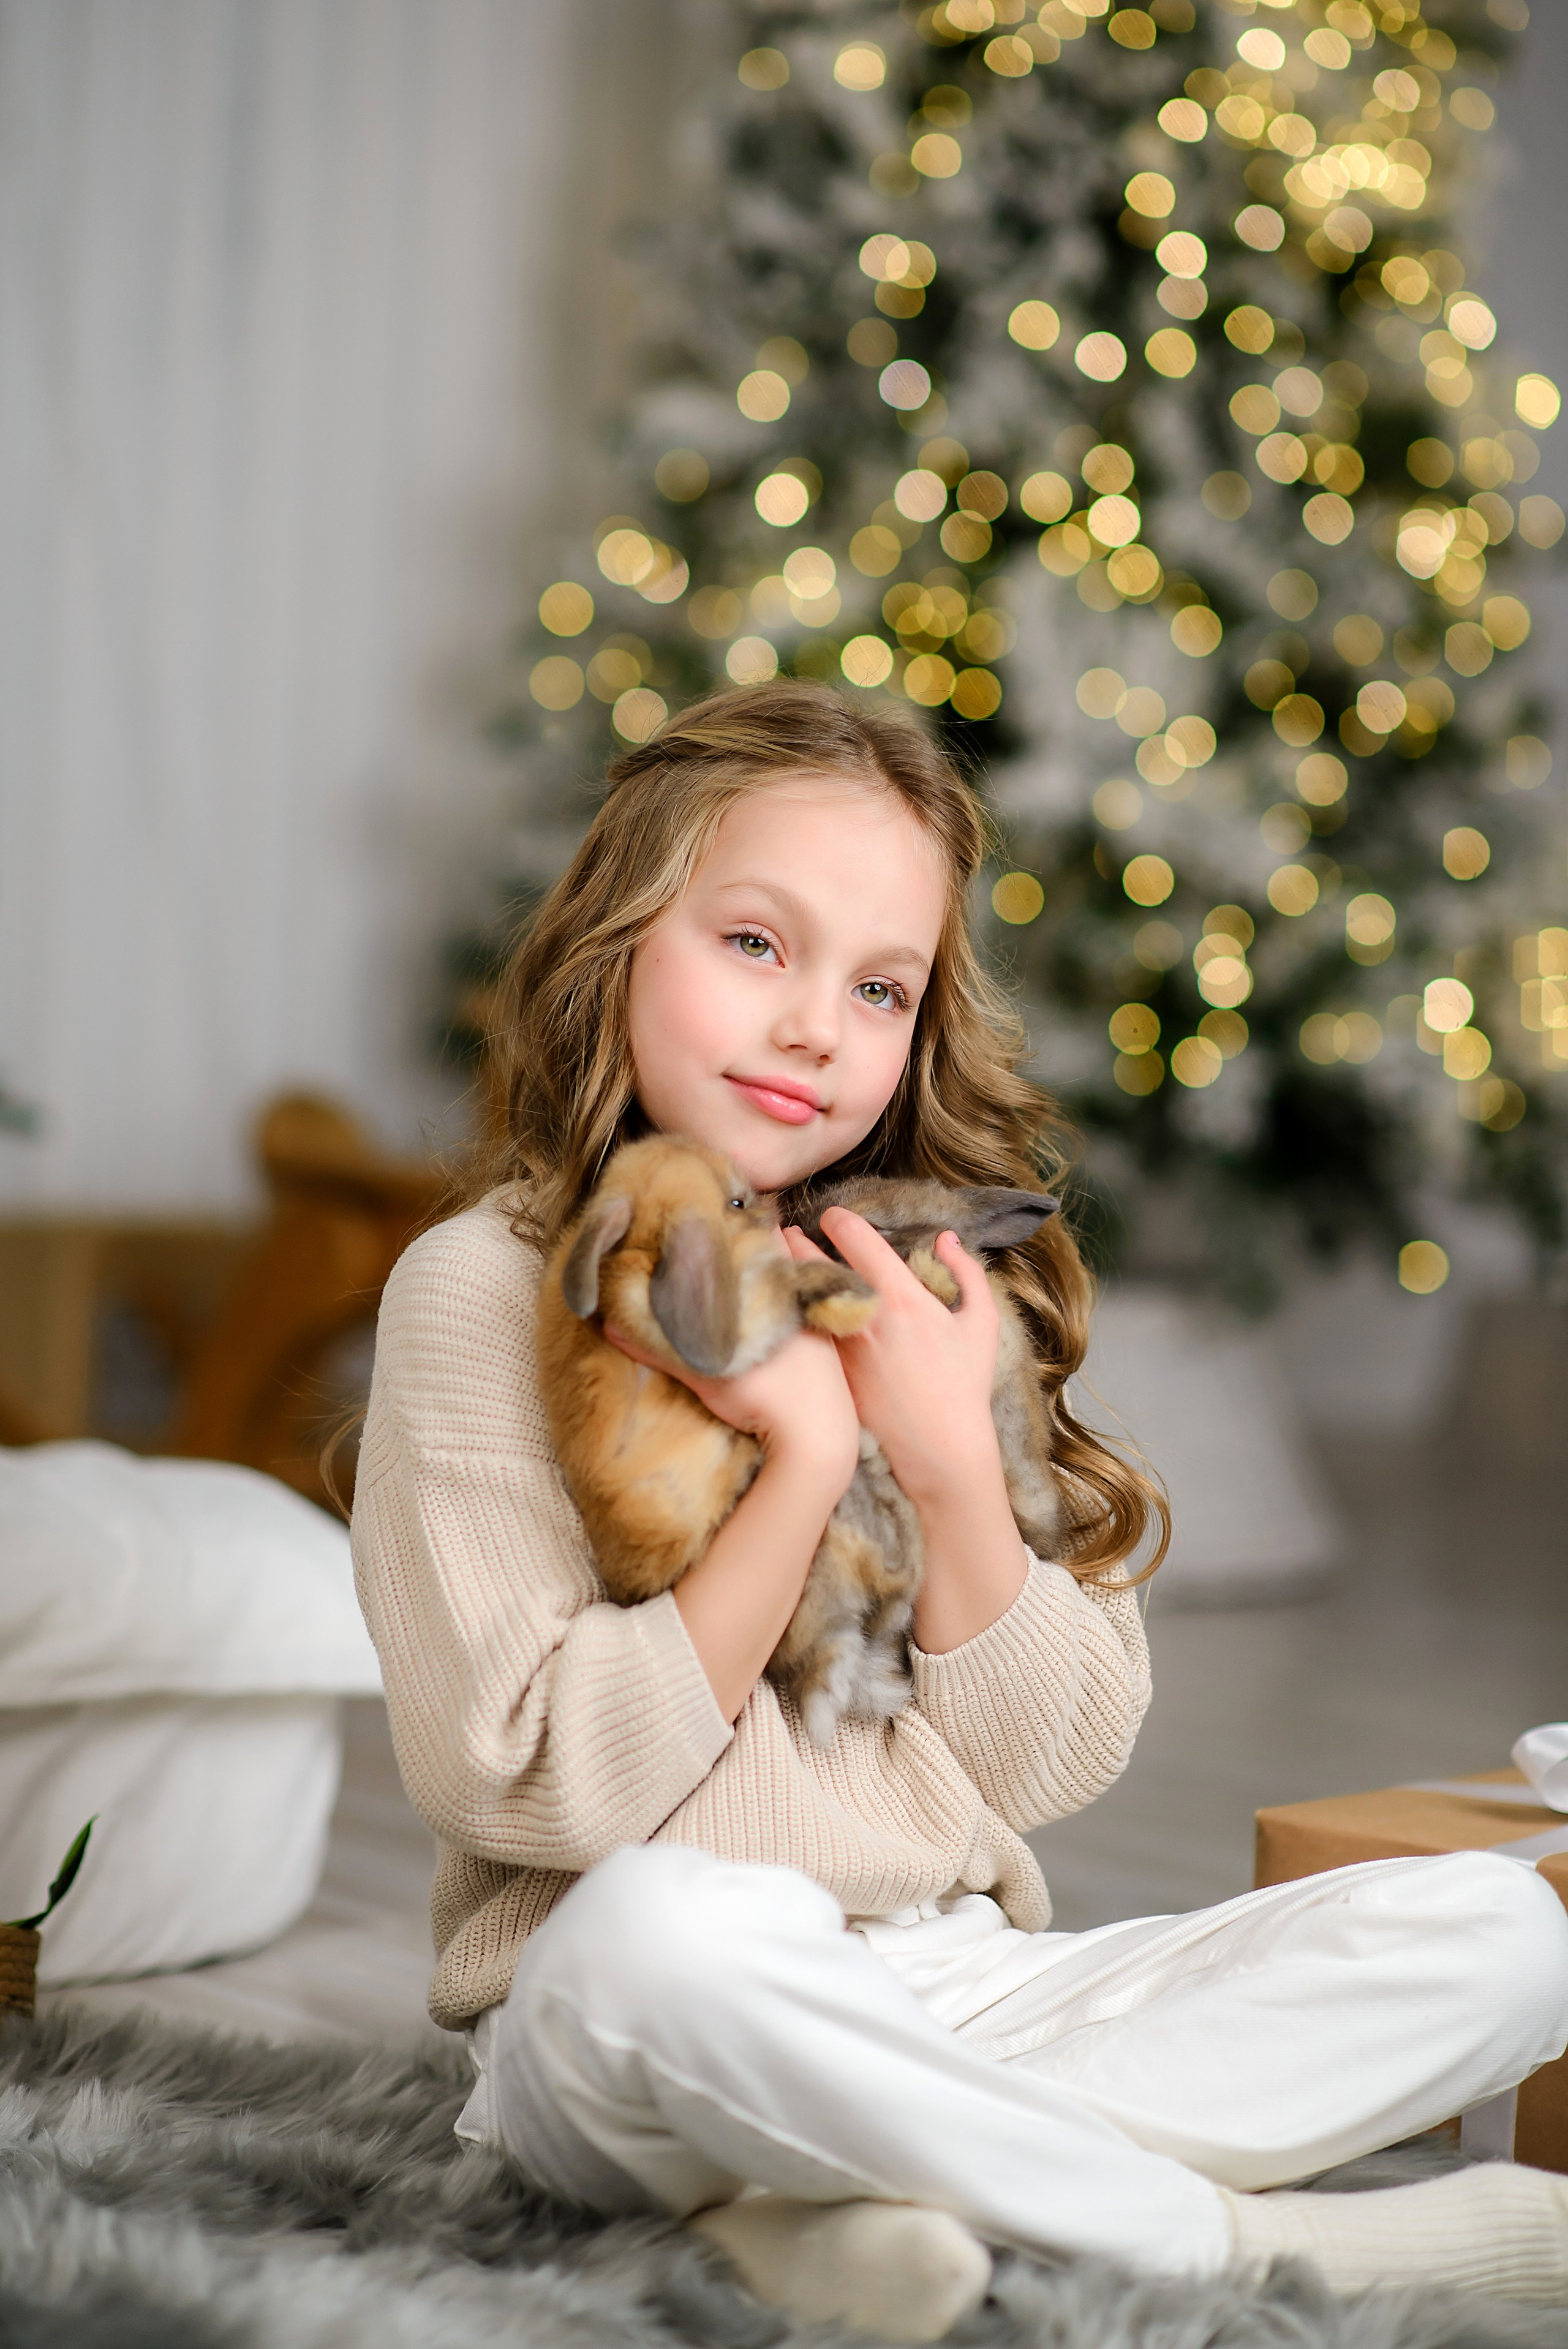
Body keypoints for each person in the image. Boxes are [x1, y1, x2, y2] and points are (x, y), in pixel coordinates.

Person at [352, 681, 1568, 2335]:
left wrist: (946, 1464)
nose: (815, 1027)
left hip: (954, 1983)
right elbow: (533, 1783)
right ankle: (1224, 2244)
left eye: (880, 986)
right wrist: (800, 1464)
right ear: (618, 940)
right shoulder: (483, 1289)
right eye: (756, 944)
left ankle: (831, 2211)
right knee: (659, 1943)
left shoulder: (938, 1285)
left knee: (1500, 1931)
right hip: (637, 1995)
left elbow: (1052, 1762)